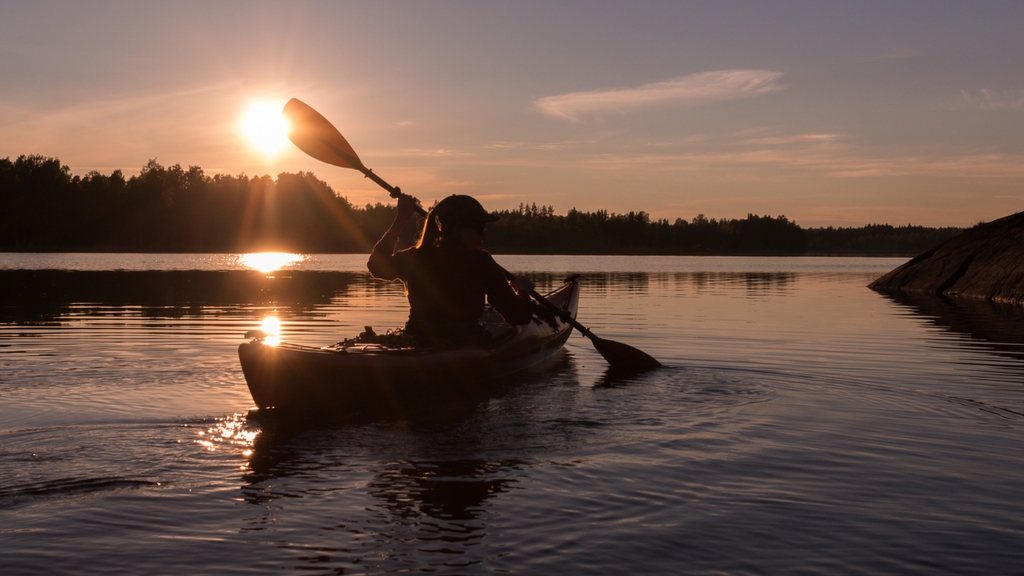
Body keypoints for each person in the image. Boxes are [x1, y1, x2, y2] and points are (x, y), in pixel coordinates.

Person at [367, 193, 535, 348]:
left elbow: (376, 266)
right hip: (463, 343)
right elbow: (518, 317)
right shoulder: (480, 261)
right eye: (479, 228)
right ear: (458, 230)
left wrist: (400, 219)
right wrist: (522, 290)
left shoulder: (415, 257)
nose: (484, 236)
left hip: (416, 340)